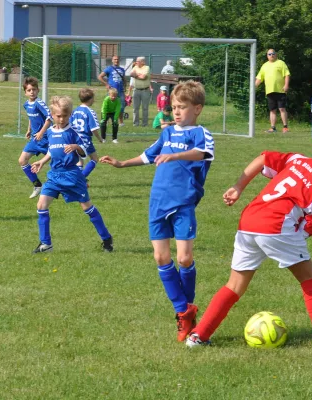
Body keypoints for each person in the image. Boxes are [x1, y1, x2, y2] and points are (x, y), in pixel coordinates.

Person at [185, 131, 312, 351]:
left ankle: (198, 336)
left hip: (249, 220)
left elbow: (263, 159)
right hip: (276, 225)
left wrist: (238, 187)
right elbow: (306, 229)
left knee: (234, 285)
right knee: (309, 280)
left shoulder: (298, 160)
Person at [100, 81, 214, 342]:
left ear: (197, 109)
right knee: (161, 258)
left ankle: (188, 306)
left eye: (182, 107)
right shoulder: (167, 133)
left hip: (183, 202)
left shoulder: (200, 133)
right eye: (174, 107)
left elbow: (202, 153)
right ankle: (182, 313)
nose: (176, 112)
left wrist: (175, 156)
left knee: (184, 258)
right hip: (157, 202)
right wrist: (122, 163)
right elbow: (149, 155)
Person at [31, 95, 113, 254]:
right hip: (54, 175)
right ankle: (46, 244)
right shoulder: (50, 132)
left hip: (72, 176)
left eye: (65, 116)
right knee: (41, 205)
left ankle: (106, 238)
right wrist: (42, 161)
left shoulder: (74, 132)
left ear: (70, 115)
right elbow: (52, 150)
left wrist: (76, 146)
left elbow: (84, 153)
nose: (61, 119)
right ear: (52, 116)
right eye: (58, 116)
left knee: (87, 208)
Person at [19, 77, 53, 199]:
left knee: (58, 163)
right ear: (25, 92)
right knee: (22, 160)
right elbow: (31, 117)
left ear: (38, 90)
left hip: (45, 139)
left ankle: (69, 185)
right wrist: (29, 130)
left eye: (34, 89)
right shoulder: (26, 104)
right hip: (35, 139)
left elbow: (49, 118)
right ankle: (37, 185)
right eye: (29, 90)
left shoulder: (40, 103)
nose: (32, 92)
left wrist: (41, 132)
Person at [255, 48, 291, 133]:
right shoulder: (264, 65)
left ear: (276, 54)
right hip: (270, 91)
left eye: (273, 53)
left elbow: (287, 75)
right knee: (272, 110)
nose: (271, 55)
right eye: (269, 54)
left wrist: (286, 85)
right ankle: (273, 128)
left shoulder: (281, 63)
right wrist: (254, 86)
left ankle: (285, 127)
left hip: (280, 90)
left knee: (282, 108)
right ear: (267, 56)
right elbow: (259, 78)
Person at [70, 88, 103, 178]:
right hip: (85, 140)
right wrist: (100, 138)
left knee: (79, 161)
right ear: (91, 99)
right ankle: (81, 179)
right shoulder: (90, 111)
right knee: (95, 159)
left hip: (74, 139)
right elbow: (94, 129)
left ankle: (77, 179)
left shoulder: (75, 111)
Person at [97, 55, 127, 126]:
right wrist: (106, 84)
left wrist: (125, 86)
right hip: (112, 91)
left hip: (120, 90)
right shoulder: (109, 68)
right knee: (108, 105)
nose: (116, 61)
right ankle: (106, 121)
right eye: (115, 59)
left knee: (121, 106)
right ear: (112, 60)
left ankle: (121, 122)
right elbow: (100, 77)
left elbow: (124, 79)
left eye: (117, 59)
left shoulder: (122, 69)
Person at [130, 56, 152, 127]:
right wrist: (139, 75)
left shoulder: (147, 68)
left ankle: (144, 124)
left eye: (138, 61)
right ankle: (135, 123)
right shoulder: (135, 67)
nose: (136, 62)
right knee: (135, 108)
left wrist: (136, 75)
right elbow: (131, 74)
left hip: (145, 90)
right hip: (136, 90)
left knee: (145, 108)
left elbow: (144, 77)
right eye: (136, 61)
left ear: (143, 62)